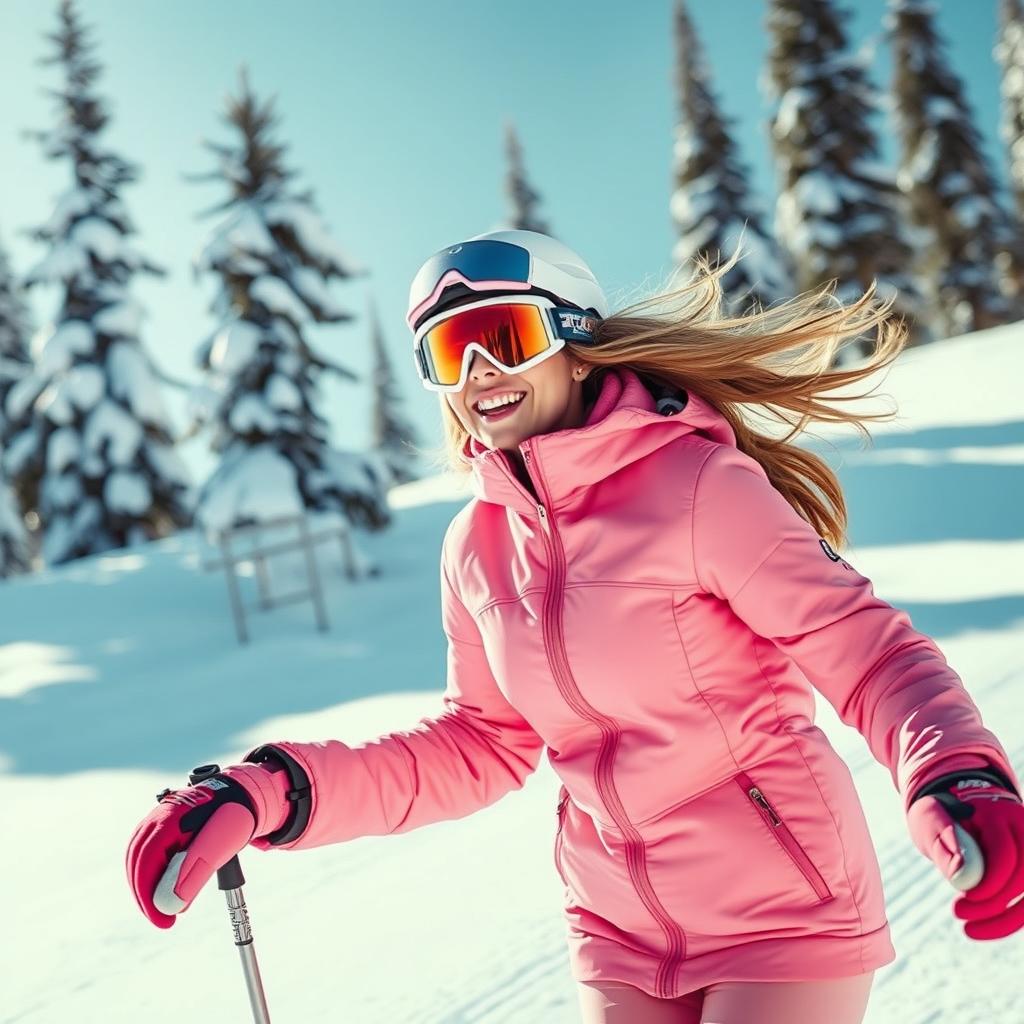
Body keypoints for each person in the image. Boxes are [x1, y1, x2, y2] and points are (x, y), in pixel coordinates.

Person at [126, 229, 1024, 1023]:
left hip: (782, 910)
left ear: (578, 341)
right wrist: (272, 794)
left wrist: (955, 769)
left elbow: (870, 653)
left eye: (502, 337)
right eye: (449, 351)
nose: (478, 372)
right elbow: (478, 745)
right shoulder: (475, 548)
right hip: (615, 932)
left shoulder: (699, 488)